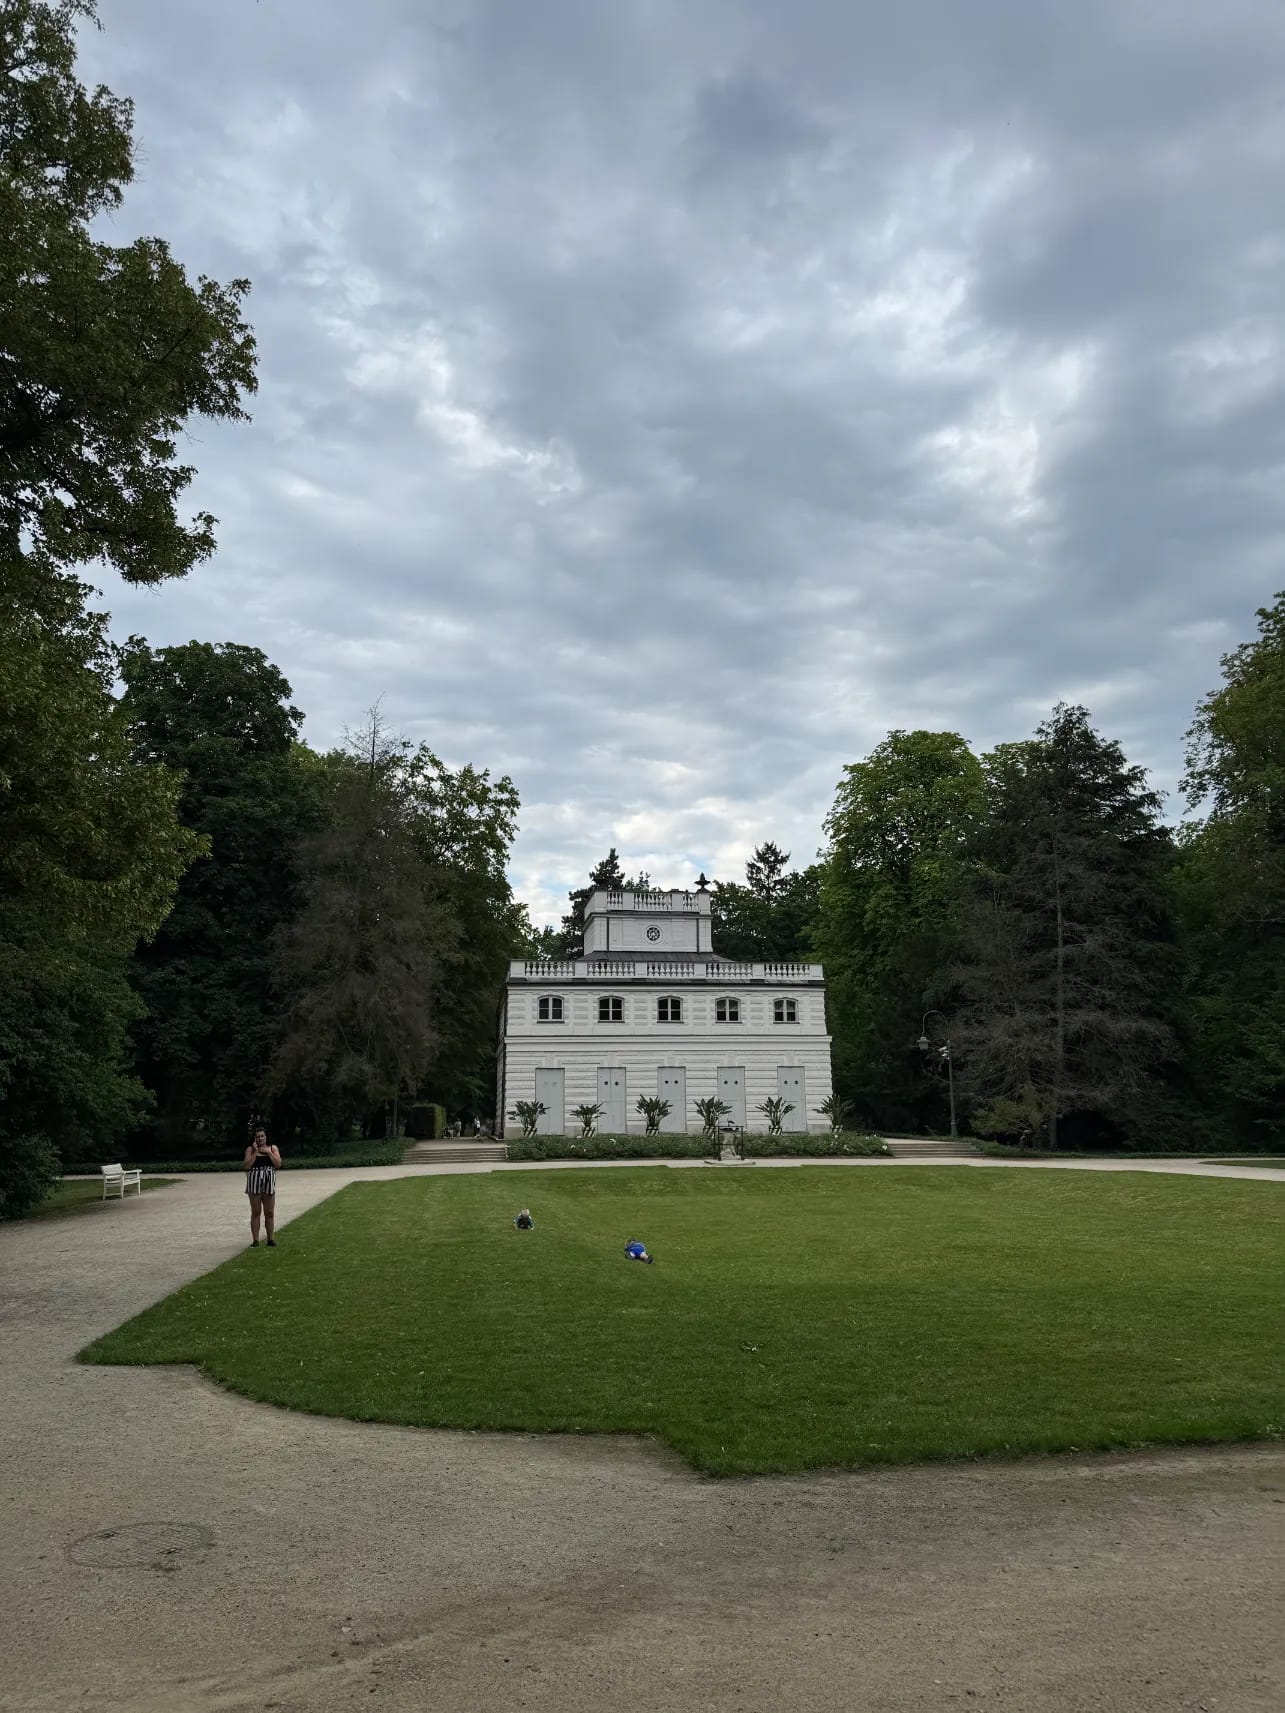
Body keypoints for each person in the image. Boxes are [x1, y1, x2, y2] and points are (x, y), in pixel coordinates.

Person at [243, 1127, 282, 1248]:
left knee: (269, 1212)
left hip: (268, 1182)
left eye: (262, 1136)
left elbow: (278, 1164)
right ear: (255, 1138)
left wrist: (268, 1152)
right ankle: (255, 1240)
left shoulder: (273, 1148)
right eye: (258, 1137)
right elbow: (246, 1166)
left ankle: (270, 1239)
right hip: (254, 1183)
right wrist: (255, 1152)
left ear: (266, 1137)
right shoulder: (250, 1149)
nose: (260, 1139)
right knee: (256, 1212)